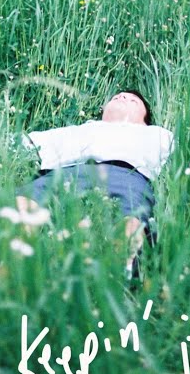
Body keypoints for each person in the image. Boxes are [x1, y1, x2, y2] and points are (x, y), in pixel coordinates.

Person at [18, 90, 174, 277]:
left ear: (145, 119)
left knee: (130, 215)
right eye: (117, 96)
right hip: (68, 172)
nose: (123, 97)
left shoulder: (156, 135)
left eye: (133, 101)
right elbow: (25, 143)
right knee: (27, 199)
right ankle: (11, 260)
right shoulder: (80, 130)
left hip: (125, 175)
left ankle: (121, 272)